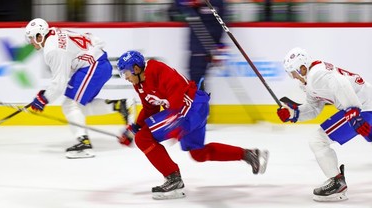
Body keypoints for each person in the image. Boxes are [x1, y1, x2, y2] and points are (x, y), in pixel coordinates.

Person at [116, 50, 269, 200]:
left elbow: (176, 91)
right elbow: (150, 108)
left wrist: (175, 122)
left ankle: (173, 178)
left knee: (143, 138)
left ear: (136, 69)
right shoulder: (139, 84)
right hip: (193, 110)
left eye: (126, 73)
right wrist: (133, 128)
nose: (126, 78)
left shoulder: (157, 69)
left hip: (189, 108)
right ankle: (249, 155)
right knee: (198, 153)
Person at [25, 18, 131, 159]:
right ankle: (120, 105)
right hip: (98, 64)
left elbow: (59, 83)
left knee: (69, 105)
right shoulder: (53, 32)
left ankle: (84, 145)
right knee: (79, 107)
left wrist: (44, 99)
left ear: (40, 35)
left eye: (32, 38)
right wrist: (45, 95)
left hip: (94, 67)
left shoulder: (52, 49)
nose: (31, 41)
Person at [277, 47, 372, 202]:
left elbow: (340, 83)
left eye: (294, 72)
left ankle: (337, 183)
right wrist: (293, 113)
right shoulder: (311, 78)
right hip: (366, 104)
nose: (293, 77)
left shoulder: (317, 74)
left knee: (317, 140)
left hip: (363, 107)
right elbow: (314, 108)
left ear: (302, 67)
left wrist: (353, 111)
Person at [174, 0, 227, 88]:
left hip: (209, 48)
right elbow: (178, 5)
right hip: (197, 48)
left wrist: (219, 45)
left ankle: (200, 100)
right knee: (195, 80)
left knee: (198, 80)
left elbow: (221, 23)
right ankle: (199, 100)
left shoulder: (218, 3)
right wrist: (191, 3)